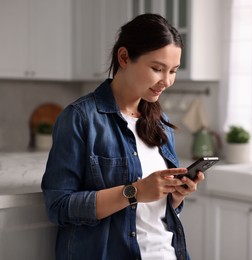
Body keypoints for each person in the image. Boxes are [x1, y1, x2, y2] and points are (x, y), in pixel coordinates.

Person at [41, 13, 204, 260]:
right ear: (124, 57)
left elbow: (153, 212)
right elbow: (59, 207)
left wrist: (176, 196)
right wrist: (135, 191)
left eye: (173, 71)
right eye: (157, 69)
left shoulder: (160, 123)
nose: (167, 81)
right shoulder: (79, 118)